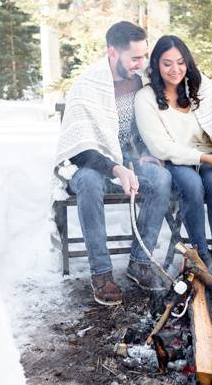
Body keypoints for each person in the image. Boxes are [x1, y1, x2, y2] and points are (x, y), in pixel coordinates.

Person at [52, 22, 172, 306]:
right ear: (112, 53)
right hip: (91, 163)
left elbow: (147, 122)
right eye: (135, 58)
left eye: (144, 57)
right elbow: (80, 149)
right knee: (89, 182)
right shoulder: (87, 85)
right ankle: (102, 274)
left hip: (128, 159)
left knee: (162, 179)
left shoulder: (141, 80)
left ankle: (139, 263)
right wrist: (115, 168)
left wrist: (143, 152)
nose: (141, 64)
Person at [134, 35, 212, 279]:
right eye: (167, 63)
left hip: (208, 154)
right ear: (156, 63)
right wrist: (205, 159)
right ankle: (199, 254)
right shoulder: (146, 98)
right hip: (175, 158)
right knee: (191, 185)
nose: (175, 69)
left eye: (180, 62)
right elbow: (160, 146)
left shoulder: (199, 87)